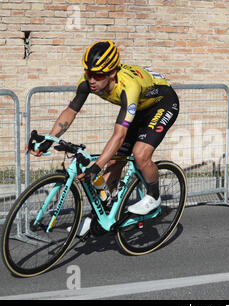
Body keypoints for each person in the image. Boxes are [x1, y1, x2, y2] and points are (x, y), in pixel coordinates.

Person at [27, 40, 179, 235]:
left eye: (98, 75)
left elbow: (119, 134)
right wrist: (49, 140)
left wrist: (95, 168)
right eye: (89, 73)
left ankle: (154, 195)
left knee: (140, 154)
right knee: (114, 163)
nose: (92, 80)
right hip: (138, 109)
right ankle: (103, 214)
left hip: (162, 104)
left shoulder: (128, 87)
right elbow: (71, 111)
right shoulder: (87, 82)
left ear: (112, 73)